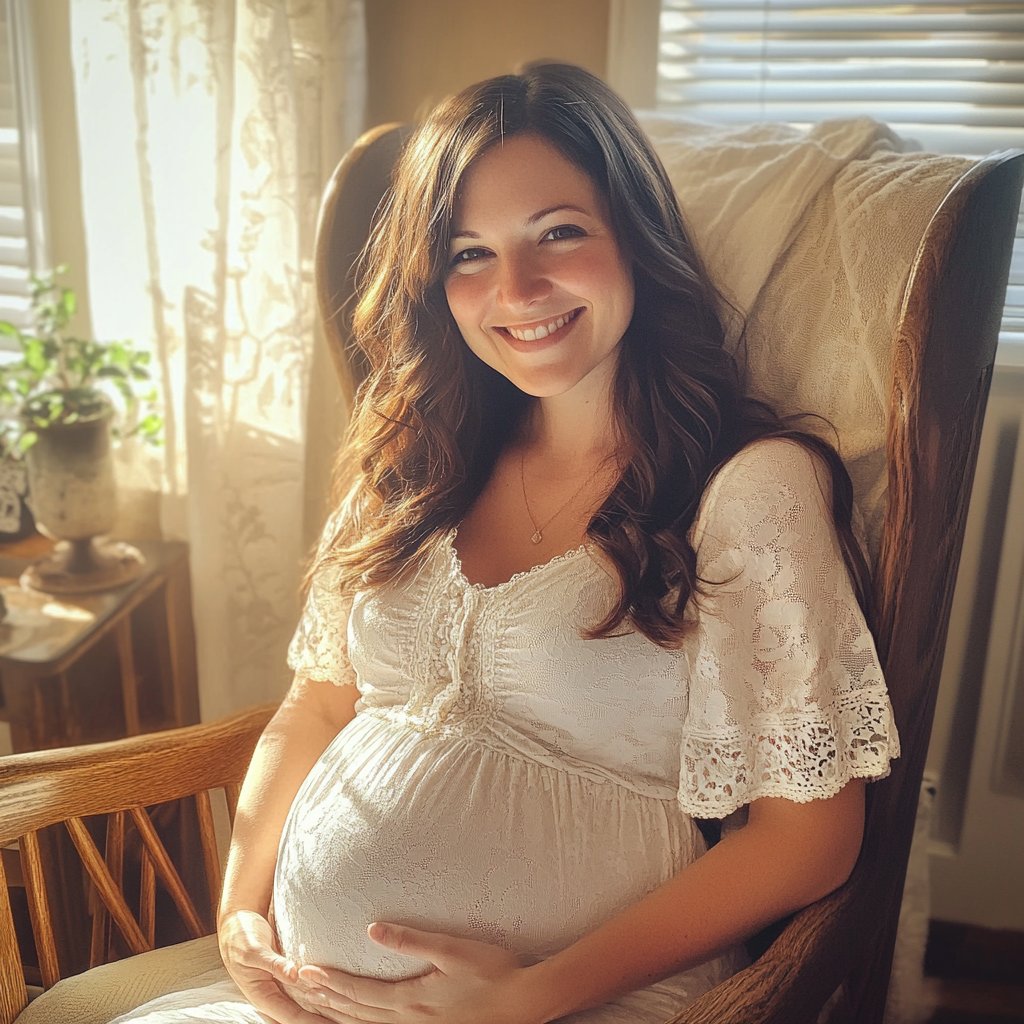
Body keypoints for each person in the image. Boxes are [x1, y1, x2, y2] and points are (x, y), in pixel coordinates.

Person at [112, 62, 898, 1024]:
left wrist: (533, 994)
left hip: (595, 1000)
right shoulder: (408, 464)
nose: (516, 289)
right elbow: (315, 706)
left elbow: (808, 839)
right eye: (467, 253)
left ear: (637, 241)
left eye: (558, 233)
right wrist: (239, 907)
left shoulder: (745, 488)